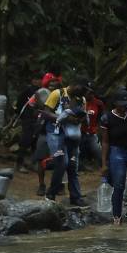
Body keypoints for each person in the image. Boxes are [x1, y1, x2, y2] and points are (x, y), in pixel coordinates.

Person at [41, 77, 88, 205]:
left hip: (72, 135)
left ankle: (75, 197)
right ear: (76, 85)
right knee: (62, 163)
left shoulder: (82, 99)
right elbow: (46, 113)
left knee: (73, 165)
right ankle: (51, 194)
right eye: (83, 89)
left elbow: (83, 117)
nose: (85, 92)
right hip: (56, 134)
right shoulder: (57, 94)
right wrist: (64, 118)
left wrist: (80, 120)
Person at [99, 89, 127, 225]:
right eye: (122, 105)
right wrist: (104, 164)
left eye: (126, 105)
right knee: (119, 185)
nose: (124, 108)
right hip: (117, 152)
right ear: (115, 103)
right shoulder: (107, 118)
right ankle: (117, 217)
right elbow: (105, 142)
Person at [79, 88, 105, 171]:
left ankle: (101, 166)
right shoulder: (79, 101)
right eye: (87, 93)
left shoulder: (98, 103)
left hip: (93, 132)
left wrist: (98, 129)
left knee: (98, 151)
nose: (89, 95)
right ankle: (82, 166)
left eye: (91, 93)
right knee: (81, 151)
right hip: (80, 131)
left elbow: (101, 118)